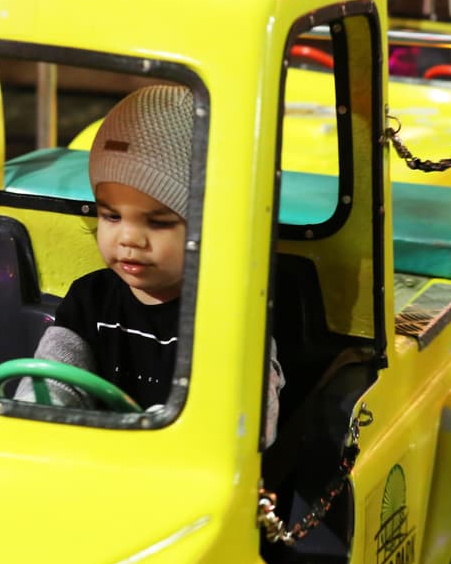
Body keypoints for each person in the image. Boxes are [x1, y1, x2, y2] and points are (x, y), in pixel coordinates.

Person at [17, 84, 285, 426]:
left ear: (210, 224)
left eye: (158, 222)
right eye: (111, 216)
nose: (128, 238)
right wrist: (42, 410)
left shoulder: (230, 315)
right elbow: (53, 378)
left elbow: (254, 422)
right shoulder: (90, 299)